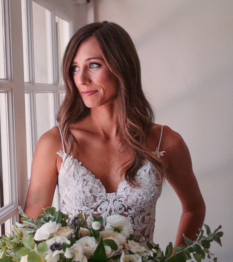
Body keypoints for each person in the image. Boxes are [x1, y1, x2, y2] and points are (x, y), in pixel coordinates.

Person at [24, 21, 205, 246]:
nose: (81, 80)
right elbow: (32, 227)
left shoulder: (165, 141)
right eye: (74, 68)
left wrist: (175, 260)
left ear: (122, 66)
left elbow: (194, 208)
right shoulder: (56, 143)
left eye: (94, 65)